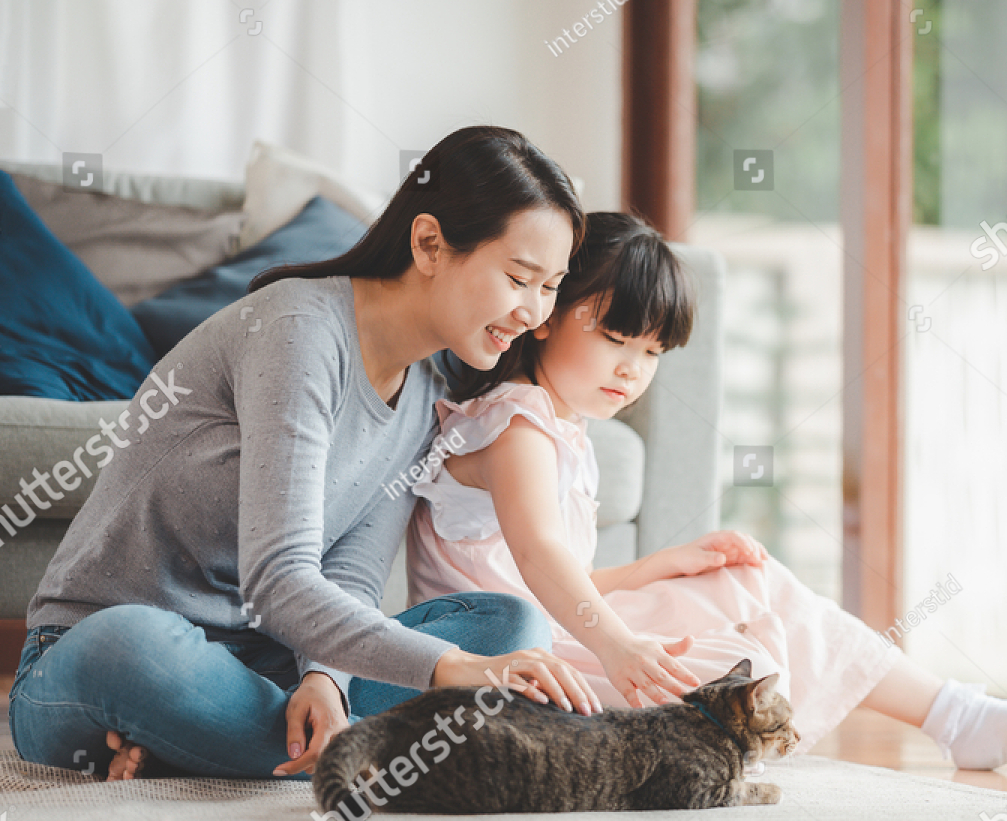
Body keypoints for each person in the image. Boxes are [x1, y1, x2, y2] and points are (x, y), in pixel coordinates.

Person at [9, 125, 600, 782]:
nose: (534, 313)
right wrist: (450, 671)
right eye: (520, 277)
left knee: (511, 627)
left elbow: (350, 572)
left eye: (550, 286)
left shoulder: (432, 385)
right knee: (132, 645)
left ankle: (226, 740)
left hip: (269, 663)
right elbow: (280, 577)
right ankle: (335, 744)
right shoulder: (299, 330)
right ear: (429, 243)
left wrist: (326, 680)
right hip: (100, 654)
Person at [404, 212, 1007, 767]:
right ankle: (947, 718)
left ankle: (958, 715)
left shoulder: (562, 429)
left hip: (560, 631)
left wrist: (659, 567)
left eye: (651, 353)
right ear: (547, 313)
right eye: (616, 338)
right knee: (747, 666)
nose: (632, 371)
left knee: (753, 583)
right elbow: (538, 563)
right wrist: (620, 645)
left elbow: (556, 576)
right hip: (513, 663)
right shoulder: (516, 422)